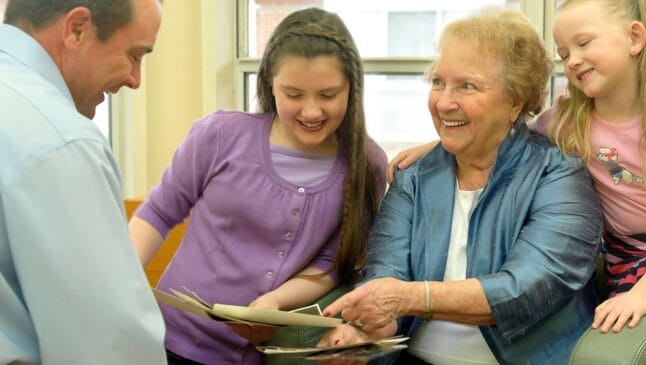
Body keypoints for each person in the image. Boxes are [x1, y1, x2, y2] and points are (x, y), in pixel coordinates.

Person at [392, 1, 646, 364]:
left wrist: (642, 297)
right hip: (636, 255)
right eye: (563, 52)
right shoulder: (568, 121)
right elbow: (501, 128)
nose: (572, 60)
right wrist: (438, 144)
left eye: (584, 43)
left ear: (635, 38)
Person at [317, 9, 603, 364]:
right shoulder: (413, 177)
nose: (444, 102)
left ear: (515, 100)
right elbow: (386, 275)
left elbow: (526, 289)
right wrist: (366, 331)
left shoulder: (559, 176)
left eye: (466, 86)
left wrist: (410, 298)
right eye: (438, 82)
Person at [128, 7, 387, 365]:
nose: (311, 112)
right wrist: (121, 282)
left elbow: (330, 263)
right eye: (294, 94)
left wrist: (274, 303)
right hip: (163, 342)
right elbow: (159, 212)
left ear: (352, 89)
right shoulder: (220, 135)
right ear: (269, 84)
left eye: (328, 95)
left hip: (248, 356)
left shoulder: (367, 165)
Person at [0, 0, 166, 364]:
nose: (135, 80)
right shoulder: (60, 142)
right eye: (134, 55)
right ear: (77, 29)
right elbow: (112, 346)